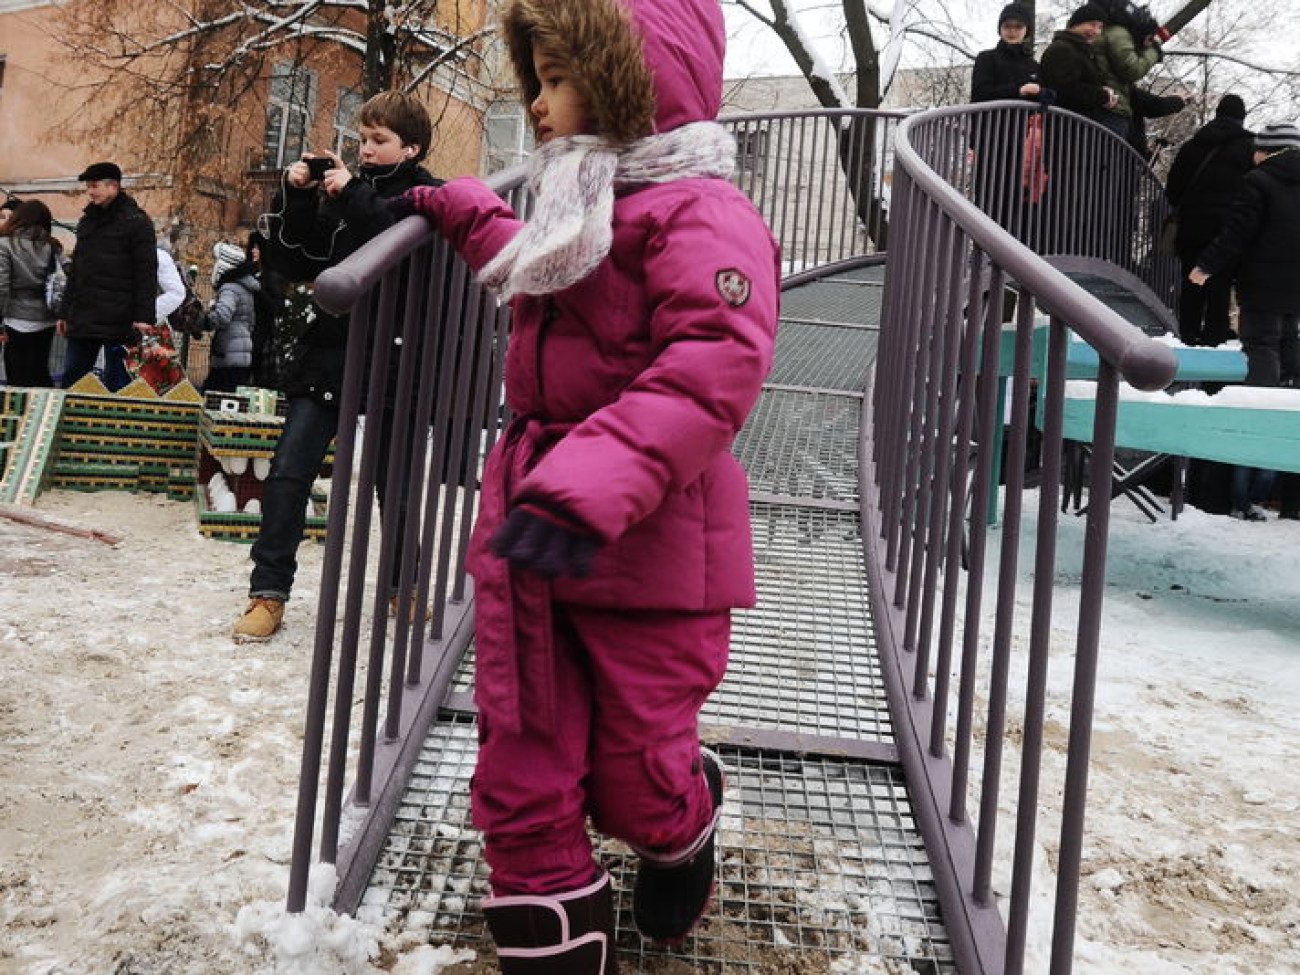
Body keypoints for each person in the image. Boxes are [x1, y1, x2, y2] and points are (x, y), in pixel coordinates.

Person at [398, 0, 781, 969]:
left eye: (559, 80)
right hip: (534, 533)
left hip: (647, 547)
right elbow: (546, 279)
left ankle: (680, 819)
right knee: (521, 756)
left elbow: (711, 365)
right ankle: (545, 913)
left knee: (633, 780)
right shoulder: (578, 191)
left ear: (627, 84)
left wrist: (588, 483)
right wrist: (472, 212)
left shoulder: (705, 212)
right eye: (534, 78)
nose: (536, 103)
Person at [233, 89, 441, 642]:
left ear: (411, 146)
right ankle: (267, 592)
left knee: (392, 482)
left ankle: (405, 586)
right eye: (362, 140)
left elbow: (393, 239)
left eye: (379, 141)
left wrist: (350, 193)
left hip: (398, 354)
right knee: (289, 471)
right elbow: (293, 262)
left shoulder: (430, 195)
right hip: (331, 351)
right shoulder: (346, 194)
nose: (366, 150)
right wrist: (299, 197)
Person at [1190, 122, 1300, 520]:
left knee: (1261, 345)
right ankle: (1287, 400)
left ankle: (1261, 408)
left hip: (1263, 284)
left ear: (1267, 150)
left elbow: (1238, 231)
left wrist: (1206, 265)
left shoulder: (1259, 181)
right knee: (1289, 342)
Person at [56, 161, 157, 391]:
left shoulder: (137, 222)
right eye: (88, 187)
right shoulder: (87, 221)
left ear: (113, 186)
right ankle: (70, 423)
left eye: (94, 186)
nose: (90, 192)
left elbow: (146, 273)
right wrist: (65, 312)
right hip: (84, 316)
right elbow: (76, 271)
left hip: (121, 319)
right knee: (73, 381)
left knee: (118, 386)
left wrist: (144, 318)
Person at [1166, 94, 1256, 347]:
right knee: (1220, 283)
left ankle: (1187, 337)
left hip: (1192, 228)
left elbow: (1173, 190)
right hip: (1227, 231)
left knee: (1191, 281)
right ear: (1242, 117)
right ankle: (1214, 341)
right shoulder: (1249, 149)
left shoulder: (1191, 146)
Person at [0, 200, 62, 388]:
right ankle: (45, 413)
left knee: (17, 375)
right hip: (47, 317)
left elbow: (1, 286)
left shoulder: (5, 244)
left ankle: (21, 415)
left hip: (16, 318)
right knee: (40, 371)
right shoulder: (53, 245)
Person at [1088, 0, 1162, 140]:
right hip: (1113, 108)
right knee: (1108, 158)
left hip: (1101, 105)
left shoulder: (1104, 31)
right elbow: (1132, 70)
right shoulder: (1118, 33)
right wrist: (1154, 51)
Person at [1040, 5, 1118, 125]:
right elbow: (1064, 90)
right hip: (1065, 126)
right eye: (1092, 24)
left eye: (1100, 27)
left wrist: (1104, 93)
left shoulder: (1084, 51)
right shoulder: (1062, 49)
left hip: (1079, 125)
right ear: (1076, 24)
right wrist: (1102, 96)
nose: (1097, 31)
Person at [202, 240, 258, 392]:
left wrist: (204, 320)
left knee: (212, 397)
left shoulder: (229, 288)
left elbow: (223, 316)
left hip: (228, 354)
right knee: (228, 398)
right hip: (240, 352)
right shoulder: (244, 287)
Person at [970, 4, 1041, 105]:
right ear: (1000, 29)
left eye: (1018, 26)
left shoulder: (1033, 66)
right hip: (992, 120)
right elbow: (980, 94)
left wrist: (1043, 95)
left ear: (1027, 30)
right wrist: (1019, 90)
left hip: (1023, 120)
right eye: (1007, 26)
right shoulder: (986, 58)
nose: (1012, 31)